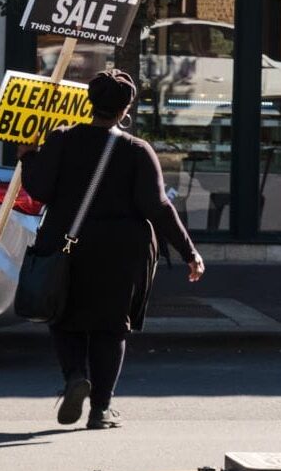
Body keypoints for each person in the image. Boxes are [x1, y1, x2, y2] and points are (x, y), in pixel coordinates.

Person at [20, 68, 204, 430]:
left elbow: (39, 190)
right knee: (110, 328)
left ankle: (75, 377)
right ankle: (101, 409)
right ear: (126, 108)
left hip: (65, 245)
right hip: (122, 253)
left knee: (63, 315)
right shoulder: (137, 150)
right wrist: (189, 251)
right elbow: (158, 207)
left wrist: (28, 157)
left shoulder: (60, 139)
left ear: (90, 102)